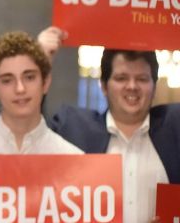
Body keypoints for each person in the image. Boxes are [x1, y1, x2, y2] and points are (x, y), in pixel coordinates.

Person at [40, 27, 180, 223]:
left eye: (142, 79)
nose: (132, 86)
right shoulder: (73, 128)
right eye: (121, 78)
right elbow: (31, 140)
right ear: (104, 86)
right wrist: (40, 62)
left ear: (154, 86)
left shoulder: (174, 127)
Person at [0, 31, 81, 154]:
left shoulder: (73, 159)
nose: (20, 89)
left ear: (45, 83)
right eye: (7, 80)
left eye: (29, 77)